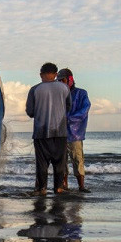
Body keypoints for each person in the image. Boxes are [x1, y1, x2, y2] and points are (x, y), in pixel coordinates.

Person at [25, 62, 71, 195]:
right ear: (56, 74)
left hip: (41, 132)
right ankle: (58, 187)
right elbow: (69, 107)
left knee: (42, 163)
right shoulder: (64, 88)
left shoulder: (34, 89)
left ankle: (42, 188)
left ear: (41, 75)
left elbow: (30, 112)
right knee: (59, 163)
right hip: (60, 132)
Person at [57, 68, 92, 193]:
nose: (61, 83)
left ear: (70, 79)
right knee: (62, 160)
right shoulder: (59, 95)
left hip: (75, 133)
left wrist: (69, 118)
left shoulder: (81, 93)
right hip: (59, 133)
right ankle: (64, 184)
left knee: (77, 158)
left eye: (63, 80)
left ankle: (81, 186)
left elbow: (85, 110)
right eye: (59, 81)